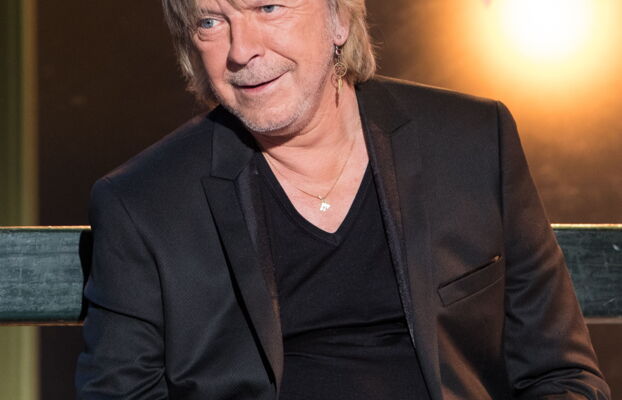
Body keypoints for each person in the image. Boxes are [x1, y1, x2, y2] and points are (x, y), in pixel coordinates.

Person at [75, 0, 611, 399]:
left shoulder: (472, 141)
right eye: (211, 22)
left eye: (268, 7)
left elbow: (562, 374)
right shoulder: (143, 201)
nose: (242, 50)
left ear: (339, 19)